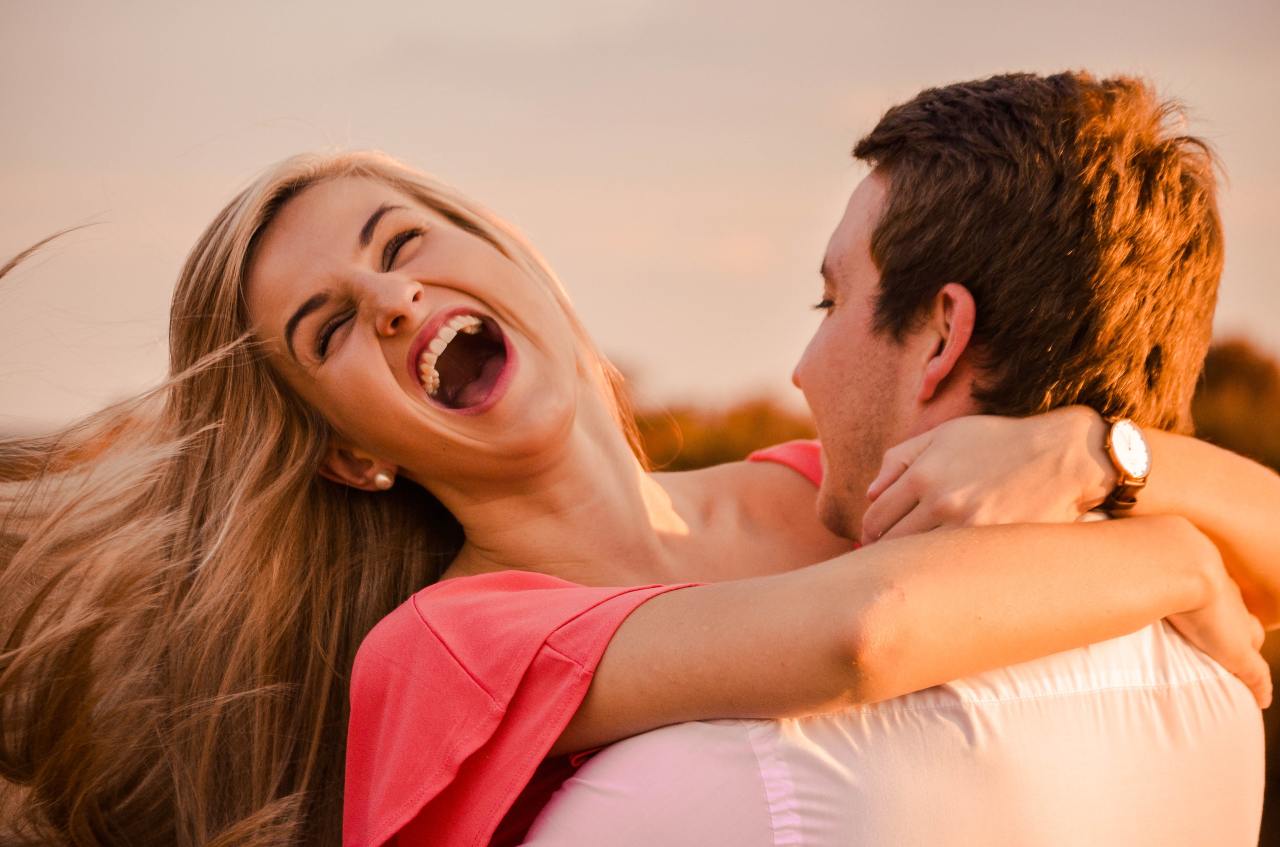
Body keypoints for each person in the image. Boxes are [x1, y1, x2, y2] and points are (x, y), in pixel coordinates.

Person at [0, 124, 1273, 847]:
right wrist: (1169, 551)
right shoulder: (448, 642)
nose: (393, 300)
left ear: (515, 266)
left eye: (402, 249)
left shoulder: (806, 492)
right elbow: (863, 632)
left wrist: (1109, 455)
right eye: (329, 330)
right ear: (351, 451)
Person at [521, 72, 1271, 846]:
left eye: (831, 301)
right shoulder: (1221, 682)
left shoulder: (720, 777)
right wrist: (1104, 460)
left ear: (942, 336)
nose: (802, 369)